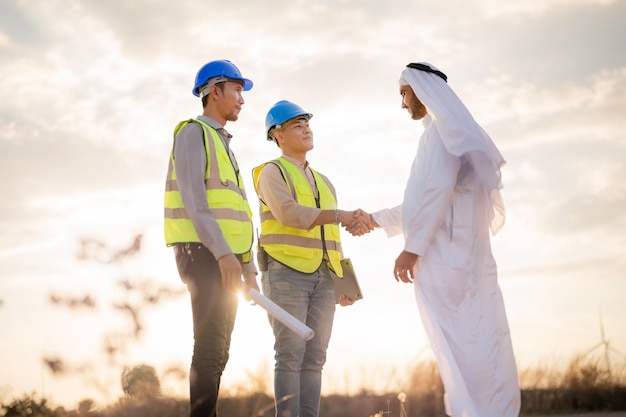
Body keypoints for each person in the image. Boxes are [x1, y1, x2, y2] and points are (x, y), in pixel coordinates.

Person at [367, 62, 521, 417]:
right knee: (464, 343)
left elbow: (436, 192)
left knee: (469, 343)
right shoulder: (438, 133)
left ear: (422, 91)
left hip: (450, 260)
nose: (402, 103)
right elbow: (419, 201)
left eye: (404, 94)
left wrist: (411, 249)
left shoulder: (443, 134)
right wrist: (375, 219)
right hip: (452, 259)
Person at [252, 100, 368, 417]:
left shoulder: (324, 181)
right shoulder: (271, 172)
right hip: (285, 274)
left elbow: (332, 237)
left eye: (307, 124)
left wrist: (345, 284)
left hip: (325, 279)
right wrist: (340, 215)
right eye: (297, 125)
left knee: (315, 357)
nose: (306, 129)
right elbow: (290, 214)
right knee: (289, 354)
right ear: (278, 134)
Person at [163, 59, 258, 417]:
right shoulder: (192, 132)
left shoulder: (224, 143)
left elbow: (236, 213)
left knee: (221, 349)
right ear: (213, 91)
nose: (242, 100)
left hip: (226, 256)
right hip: (202, 253)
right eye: (236, 90)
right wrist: (223, 255)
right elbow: (194, 201)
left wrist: (247, 264)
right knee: (209, 344)